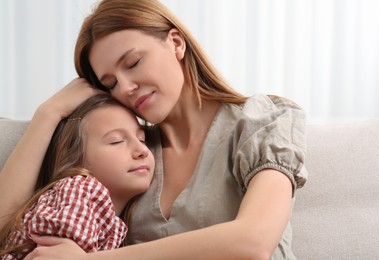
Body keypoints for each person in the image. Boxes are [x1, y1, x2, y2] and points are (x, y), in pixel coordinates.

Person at [0, 0, 308, 259]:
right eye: (110, 83)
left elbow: (253, 242)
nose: (127, 87)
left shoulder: (264, 119)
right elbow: (6, 226)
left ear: (175, 43)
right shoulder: (130, 155)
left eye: (133, 63)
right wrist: (48, 113)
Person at [0, 94, 155, 259]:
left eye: (142, 139)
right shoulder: (79, 191)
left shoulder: (108, 215)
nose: (142, 150)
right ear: (76, 161)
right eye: (116, 141)